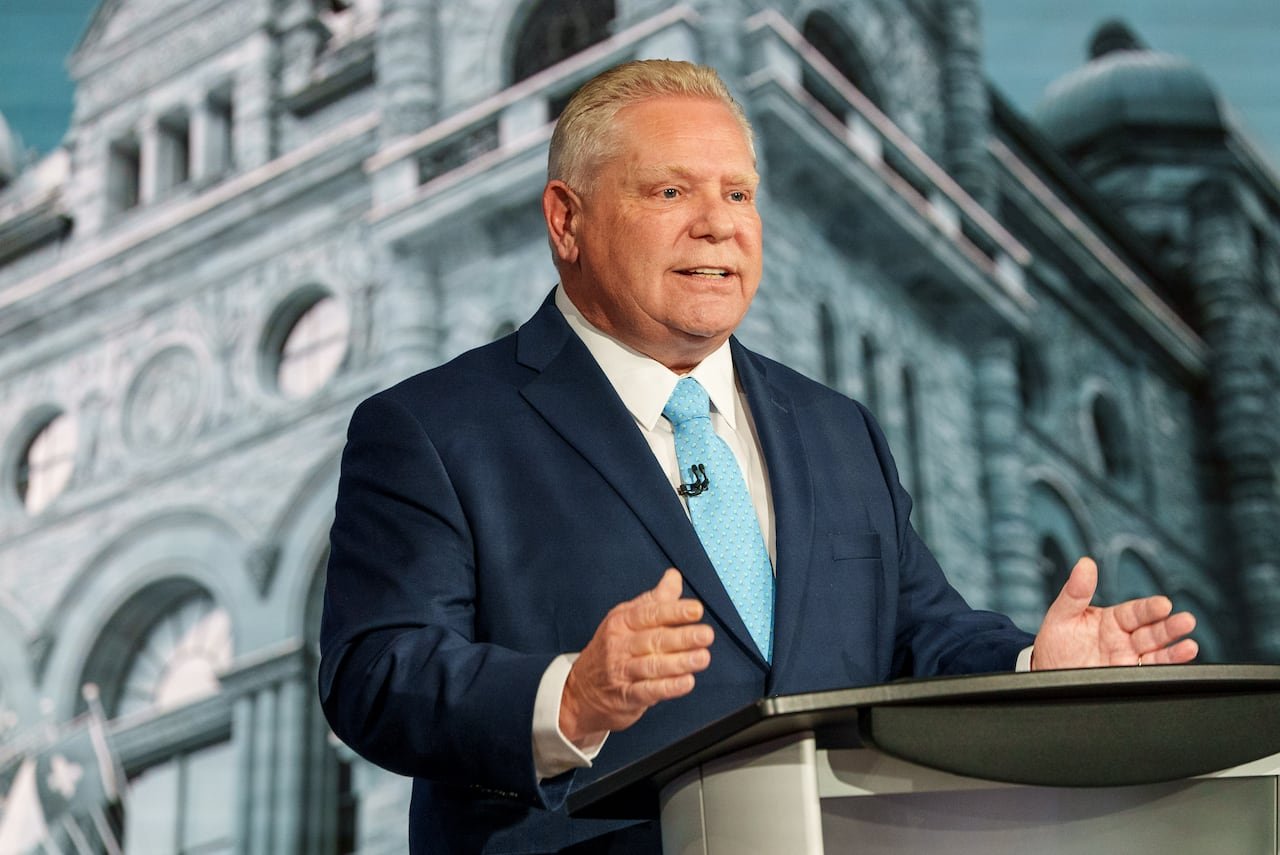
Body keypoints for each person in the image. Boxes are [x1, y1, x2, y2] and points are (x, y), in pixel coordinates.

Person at [318, 59, 1198, 854]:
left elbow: (914, 633)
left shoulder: (834, 427)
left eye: (738, 195)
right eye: (669, 193)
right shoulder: (432, 427)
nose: (717, 227)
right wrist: (568, 696)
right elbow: (376, 672)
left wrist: (1032, 671)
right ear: (567, 219)